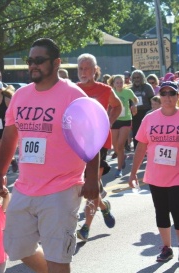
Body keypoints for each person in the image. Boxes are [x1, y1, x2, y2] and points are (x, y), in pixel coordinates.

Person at [0, 38, 99, 273]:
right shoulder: (21, 95)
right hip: (25, 187)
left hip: (62, 188)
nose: (33, 65)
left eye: (39, 61)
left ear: (56, 63)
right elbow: (10, 136)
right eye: (30, 61)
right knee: (18, 248)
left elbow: (92, 137)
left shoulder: (73, 95)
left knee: (58, 257)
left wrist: (92, 178)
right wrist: (1, 173)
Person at [129, 81, 179, 262]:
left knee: (177, 212)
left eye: (171, 94)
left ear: (177, 97)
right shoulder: (149, 119)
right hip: (156, 176)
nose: (167, 97)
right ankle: (167, 248)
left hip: (177, 176)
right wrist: (133, 172)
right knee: (161, 212)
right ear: (160, 96)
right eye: (164, 93)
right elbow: (141, 147)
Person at [75, 53, 122, 242]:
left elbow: (117, 106)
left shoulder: (104, 89)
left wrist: (106, 123)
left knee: (92, 186)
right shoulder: (73, 89)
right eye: (80, 68)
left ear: (95, 70)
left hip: (99, 143)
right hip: (77, 143)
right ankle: (104, 207)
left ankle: (85, 227)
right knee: (89, 184)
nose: (83, 72)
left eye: (87, 68)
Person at [109, 75, 138, 178]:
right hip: (115, 119)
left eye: (121, 82)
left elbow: (135, 99)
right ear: (113, 84)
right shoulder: (111, 92)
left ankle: (119, 168)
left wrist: (134, 105)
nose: (119, 84)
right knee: (115, 147)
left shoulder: (128, 92)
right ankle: (122, 156)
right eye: (117, 83)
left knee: (121, 145)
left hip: (126, 119)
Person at [0, 81, 18, 172]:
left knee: (5, 151)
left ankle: (12, 161)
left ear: (1, 90)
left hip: (5, 128)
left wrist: (8, 118)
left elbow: (15, 113)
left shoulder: (7, 100)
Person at [130, 70, 154, 150]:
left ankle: (148, 149)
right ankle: (137, 149)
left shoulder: (147, 87)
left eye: (138, 77)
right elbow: (129, 102)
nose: (136, 79)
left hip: (146, 111)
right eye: (135, 78)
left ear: (142, 78)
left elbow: (152, 100)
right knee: (136, 131)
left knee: (147, 131)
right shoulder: (131, 89)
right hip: (135, 113)